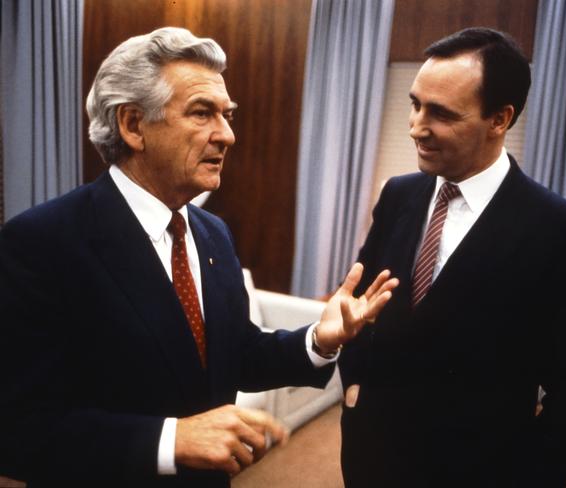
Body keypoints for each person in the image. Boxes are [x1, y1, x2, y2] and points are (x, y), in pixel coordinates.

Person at [0, 27, 398, 488]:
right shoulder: (41, 242)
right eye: (202, 113)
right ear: (132, 125)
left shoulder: (212, 233)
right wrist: (170, 440)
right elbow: (17, 428)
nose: (227, 135)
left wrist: (319, 340)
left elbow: (235, 353)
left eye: (227, 115)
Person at [338, 27, 566, 487]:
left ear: (499, 119)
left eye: (440, 113)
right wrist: (354, 393)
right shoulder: (398, 195)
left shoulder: (565, 234)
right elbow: (362, 305)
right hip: (369, 460)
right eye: (416, 103)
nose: (416, 126)